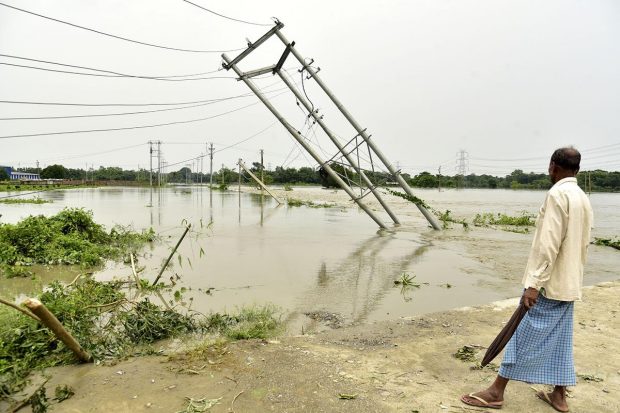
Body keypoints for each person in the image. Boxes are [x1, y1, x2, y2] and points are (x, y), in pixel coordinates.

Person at [461, 147, 593, 412]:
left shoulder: (557, 194)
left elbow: (549, 244)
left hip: (548, 284)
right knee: (561, 339)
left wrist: (534, 284)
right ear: (576, 169)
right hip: (568, 283)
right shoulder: (581, 196)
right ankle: (559, 395)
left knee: (521, 334)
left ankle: (496, 391)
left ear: (553, 166)